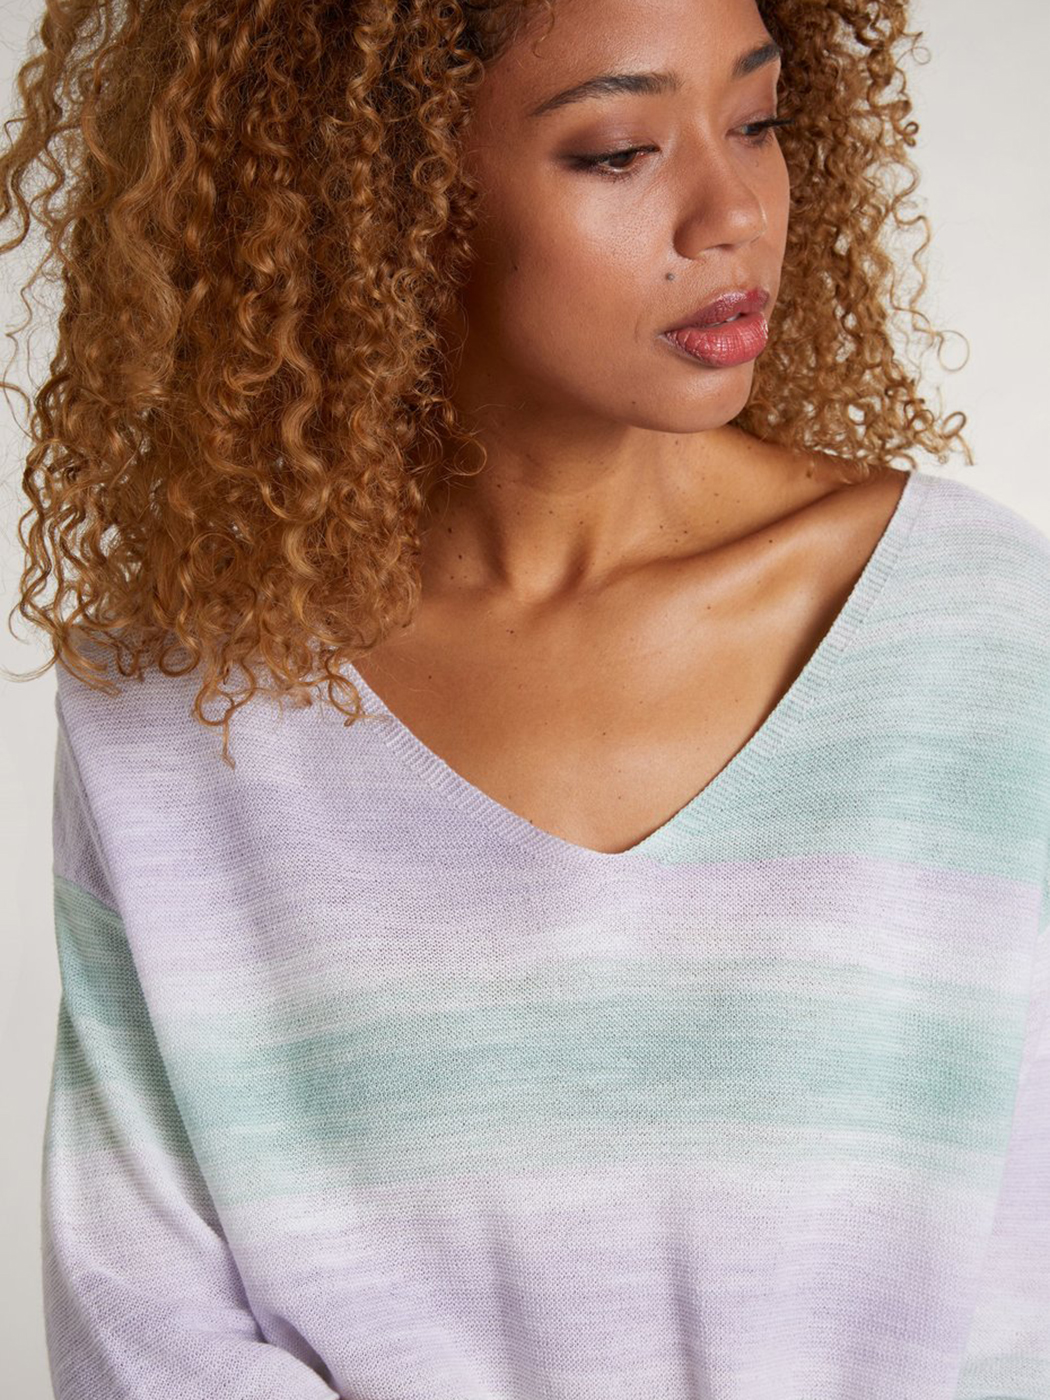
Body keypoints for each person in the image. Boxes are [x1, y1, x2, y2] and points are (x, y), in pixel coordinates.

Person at [3, 0, 1047, 1396]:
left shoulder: (978, 638)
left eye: (756, 122)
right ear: (384, 189)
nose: (733, 212)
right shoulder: (183, 707)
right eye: (618, 151)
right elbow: (141, 1328)